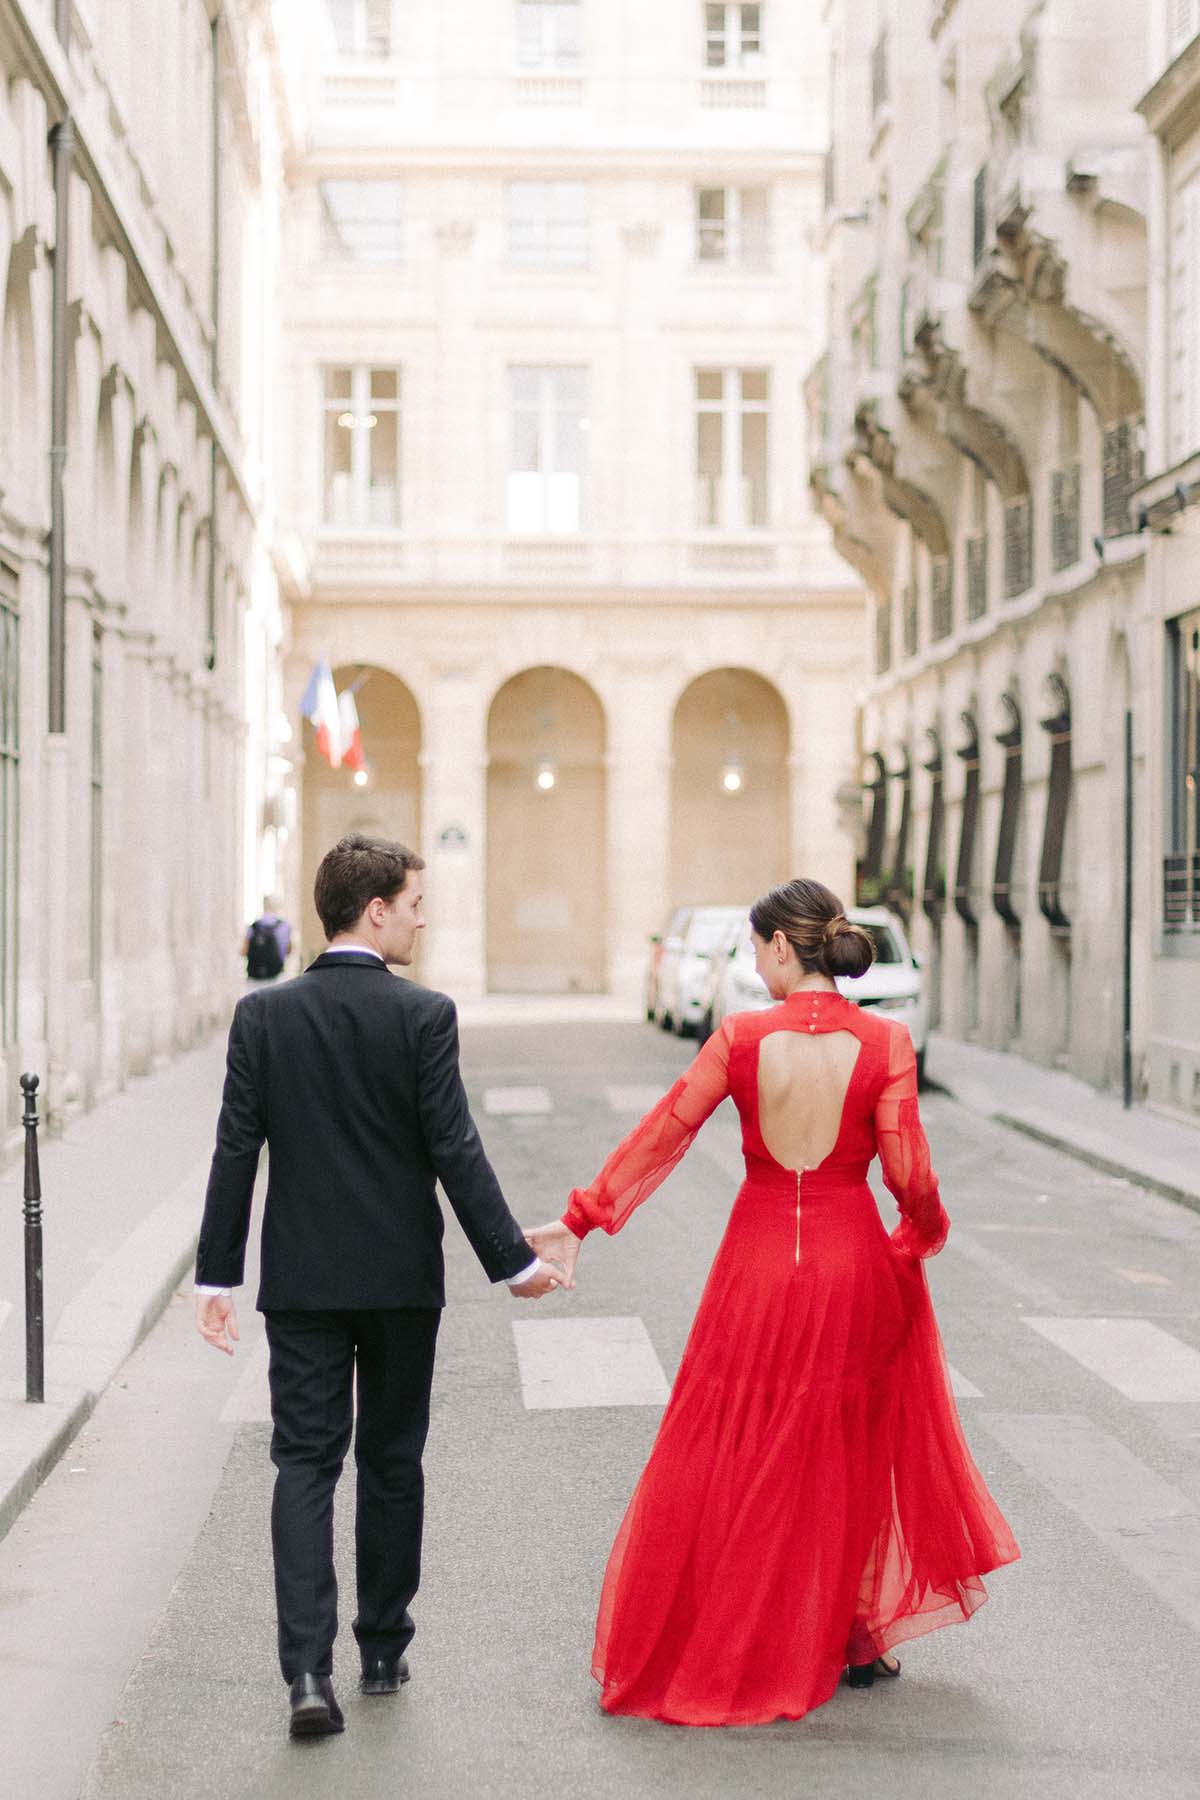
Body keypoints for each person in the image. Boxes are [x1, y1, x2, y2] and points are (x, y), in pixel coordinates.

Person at [525, 877, 1020, 1728]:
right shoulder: (887, 1042)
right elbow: (909, 1171)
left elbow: (666, 1130)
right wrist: (921, 1233)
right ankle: (856, 1634)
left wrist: (583, 1218)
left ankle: (727, 1626)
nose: (754, 965)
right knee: (843, 1442)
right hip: (851, 1259)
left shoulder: (743, 1037)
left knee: (730, 1439)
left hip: (755, 1263)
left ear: (785, 948)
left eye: (757, 950)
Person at [195, 834, 562, 1740]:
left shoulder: (264, 1018)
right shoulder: (423, 1016)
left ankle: (308, 1676)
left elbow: (237, 1149)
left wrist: (216, 1276)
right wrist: (511, 1260)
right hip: (400, 1283)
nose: (423, 918)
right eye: (414, 903)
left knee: (303, 1464)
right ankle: (383, 1650)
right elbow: (454, 1148)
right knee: (392, 1462)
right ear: (376, 911)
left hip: (304, 1283)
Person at [243, 898, 291, 982]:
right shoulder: (285, 926)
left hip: (255, 977)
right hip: (276, 977)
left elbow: (243, 951)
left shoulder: (254, 926)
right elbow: (289, 951)